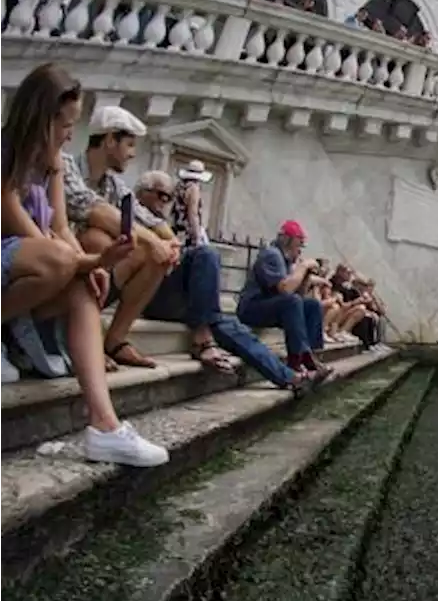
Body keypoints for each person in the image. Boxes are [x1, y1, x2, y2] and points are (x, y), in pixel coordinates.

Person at [0, 63, 167, 466]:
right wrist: (83, 259)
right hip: (14, 256)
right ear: (40, 118)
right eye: (65, 125)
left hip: (33, 265)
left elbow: (59, 225)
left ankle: (105, 425)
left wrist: (93, 265)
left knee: (84, 285)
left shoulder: (54, 163)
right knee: (65, 262)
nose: (70, 134)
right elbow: (31, 234)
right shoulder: (5, 152)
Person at [134, 170, 321, 396]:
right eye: (160, 195)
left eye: (169, 197)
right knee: (206, 255)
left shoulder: (163, 224)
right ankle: (203, 339)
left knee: (232, 328)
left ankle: (288, 377)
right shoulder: (132, 216)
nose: (165, 202)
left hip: (179, 295)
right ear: (142, 193)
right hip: (150, 294)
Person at [69, 106, 181, 369]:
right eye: (129, 144)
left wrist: (170, 242)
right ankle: (86, 339)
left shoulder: (113, 183)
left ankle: (116, 340)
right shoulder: (69, 168)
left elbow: (146, 218)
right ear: (109, 140)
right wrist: (153, 241)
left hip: (99, 275)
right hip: (66, 270)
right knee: (97, 238)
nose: (132, 153)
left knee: (156, 257)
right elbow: (99, 212)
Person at [237, 220, 331, 379]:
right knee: (292, 301)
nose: (301, 250)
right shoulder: (271, 254)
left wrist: (306, 276)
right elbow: (285, 290)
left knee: (312, 305)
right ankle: (297, 359)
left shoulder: (286, 260)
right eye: (299, 244)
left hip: (273, 306)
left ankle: (313, 355)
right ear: (289, 240)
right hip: (252, 307)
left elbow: (298, 298)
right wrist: (302, 267)